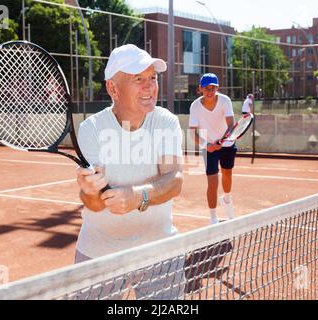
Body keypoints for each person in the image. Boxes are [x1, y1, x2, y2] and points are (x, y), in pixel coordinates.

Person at [75, 44, 184, 299]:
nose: (149, 86)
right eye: (138, 79)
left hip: (160, 254)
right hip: (98, 256)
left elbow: (175, 180)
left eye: (152, 78)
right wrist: (89, 192)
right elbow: (93, 203)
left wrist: (138, 196)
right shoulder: (91, 129)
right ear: (113, 88)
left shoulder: (166, 121)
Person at [189, 73, 236, 225]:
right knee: (213, 181)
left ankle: (227, 199)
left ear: (217, 88)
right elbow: (192, 133)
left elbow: (231, 125)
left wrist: (224, 140)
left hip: (227, 145)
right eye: (206, 88)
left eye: (213, 88)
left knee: (227, 174)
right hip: (208, 147)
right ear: (200, 89)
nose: (210, 91)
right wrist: (207, 145)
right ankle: (213, 217)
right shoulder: (195, 106)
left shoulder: (225, 101)